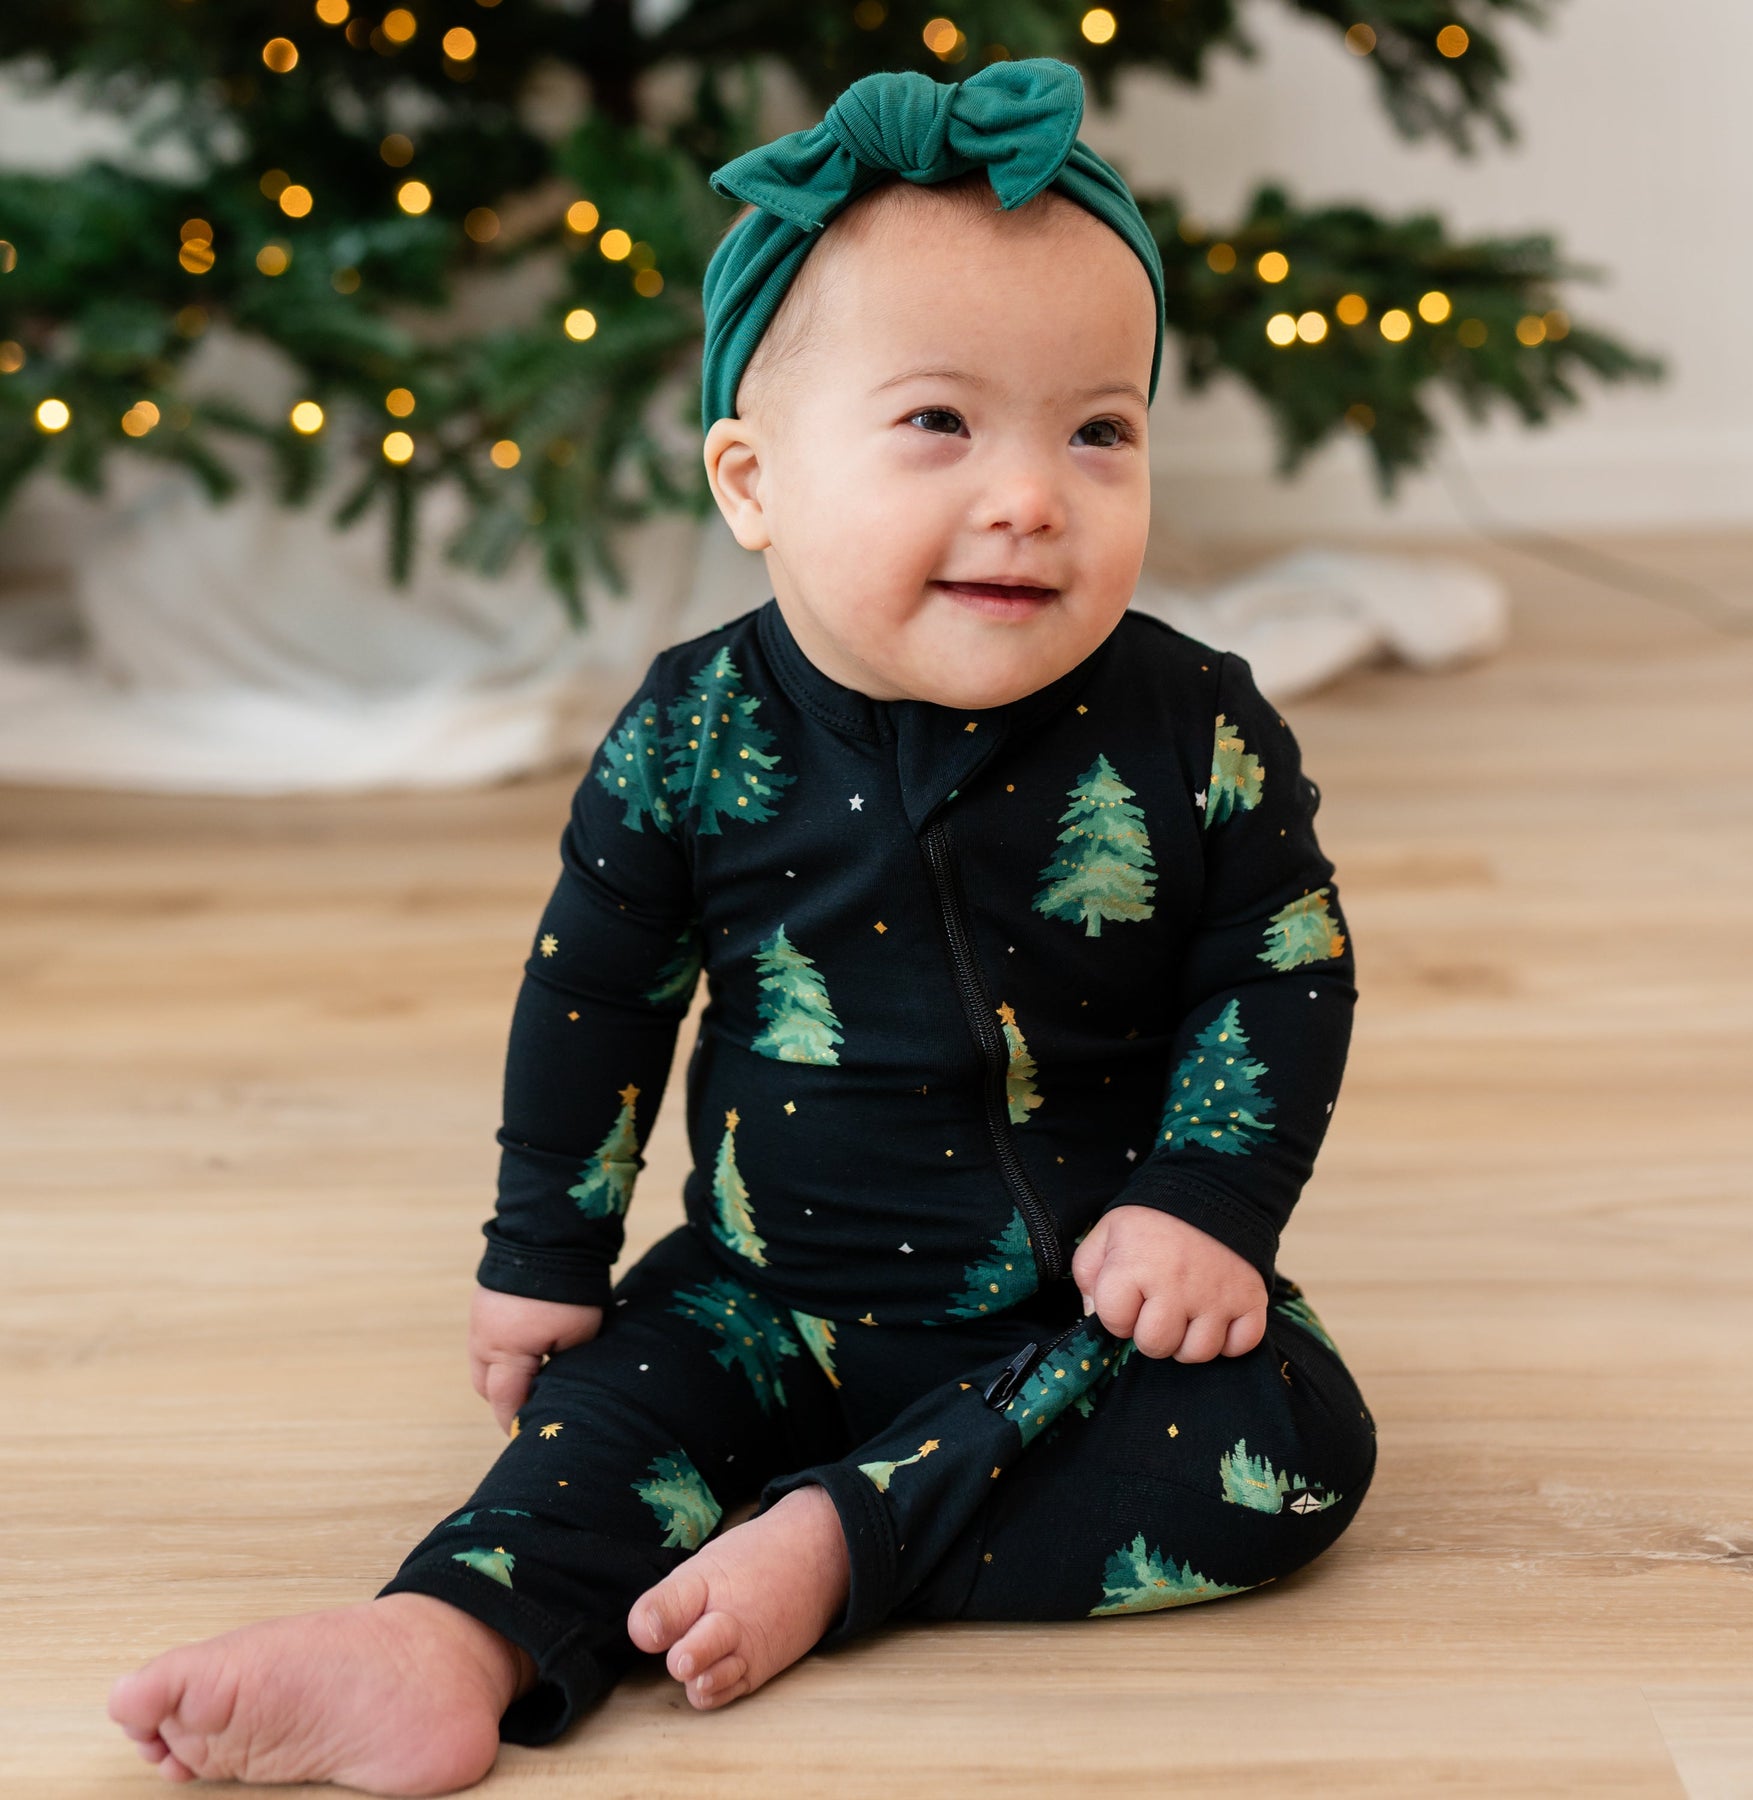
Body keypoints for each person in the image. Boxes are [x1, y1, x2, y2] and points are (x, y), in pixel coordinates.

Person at [107, 56, 1377, 1793]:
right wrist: (544, 1255)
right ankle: (440, 1641)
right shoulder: (692, 734)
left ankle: (840, 1544)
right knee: (611, 1419)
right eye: (940, 423)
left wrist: (1206, 1203)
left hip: (1082, 1323)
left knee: (1293, 1443)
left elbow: (1280, 965)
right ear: (751, 479)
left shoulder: (1194, 721)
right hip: (769, 1295)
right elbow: (593, 1003)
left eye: (1099, 430)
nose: (1033, 496)